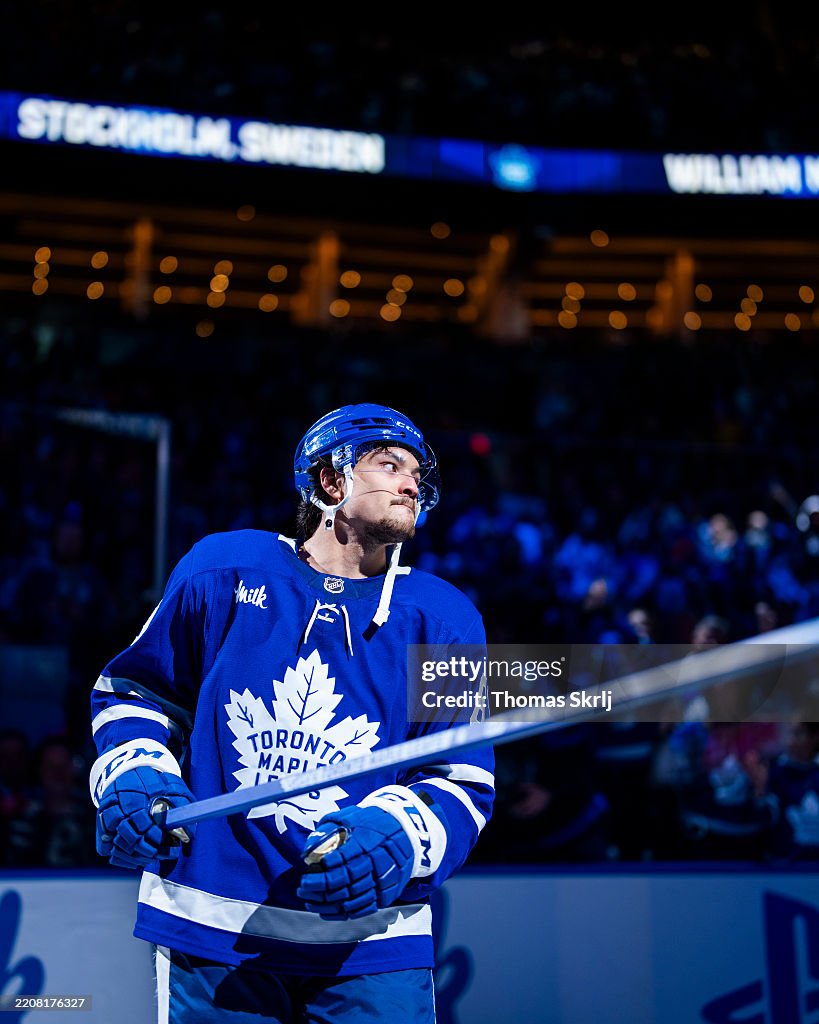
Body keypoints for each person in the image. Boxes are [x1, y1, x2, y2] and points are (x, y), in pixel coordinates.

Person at [88, 403, 495, 1023]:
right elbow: (137, 693)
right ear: (331, 481)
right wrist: (134, 771)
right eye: (390, 464)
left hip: (370, 942)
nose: (413, 483)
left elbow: (462, 780)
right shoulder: (223, 570)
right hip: (212, 924)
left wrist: (401, 837)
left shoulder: (444, 619)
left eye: (417, 471)